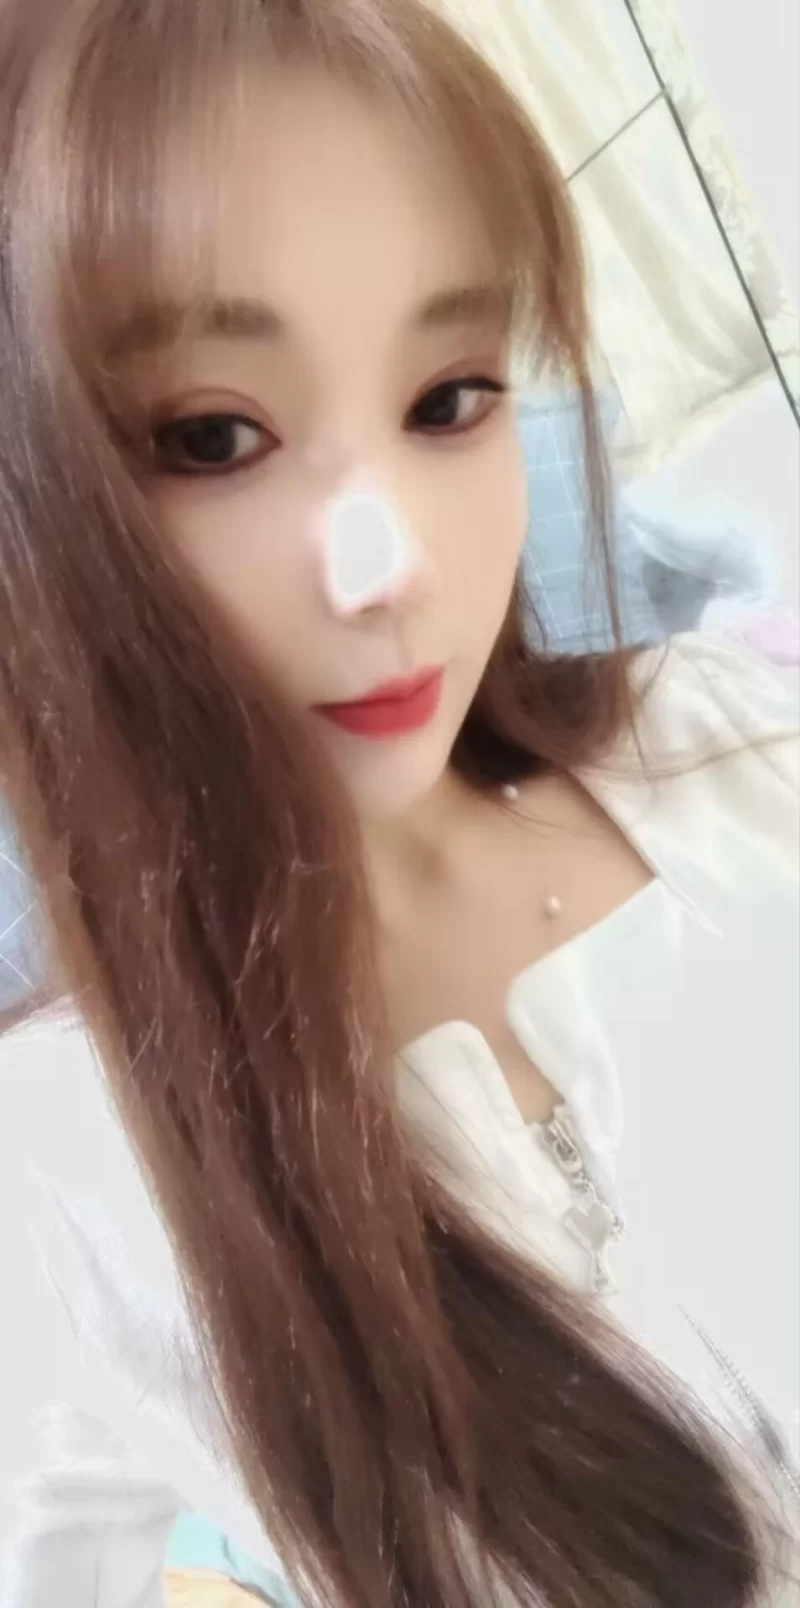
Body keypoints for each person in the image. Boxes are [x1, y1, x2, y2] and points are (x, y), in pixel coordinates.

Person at [0, 2, 798, 1605]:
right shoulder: (63, 1190)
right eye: (213, 436)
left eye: (450, 399)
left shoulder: (742, 752)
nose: (394, 568)